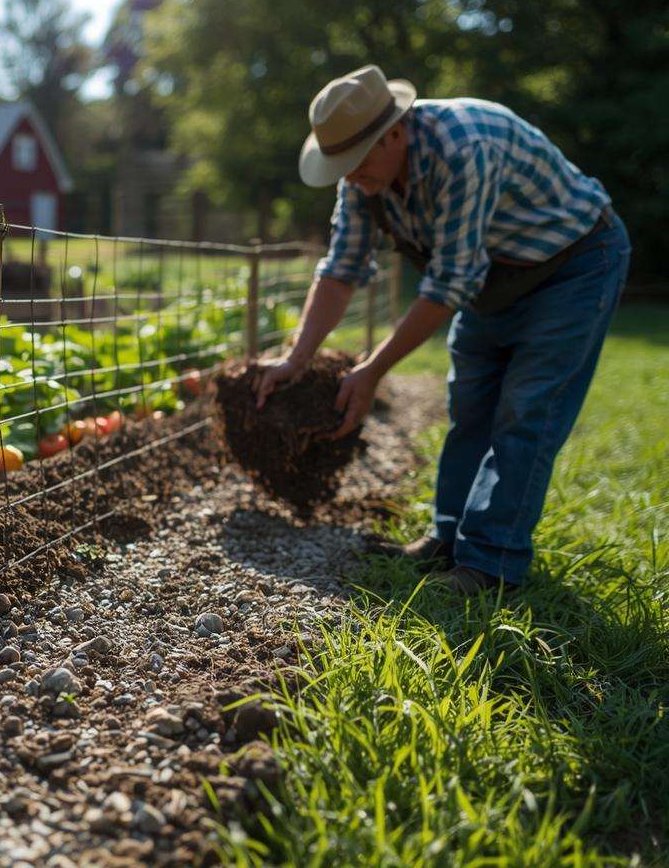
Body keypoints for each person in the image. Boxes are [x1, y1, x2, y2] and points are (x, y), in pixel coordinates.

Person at [255, 64, 629, 594]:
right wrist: (296, 358)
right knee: (470, 406)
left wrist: (373, 371)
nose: (349, 175)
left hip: (572, 266)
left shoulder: (463, 148)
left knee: (526, 411)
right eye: (340, 164)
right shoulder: (364, 181)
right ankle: (449, 539)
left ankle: (493, 565)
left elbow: (449, 284)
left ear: (394, 132)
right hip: (492, 275)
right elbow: (341, 271)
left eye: (355, 161)